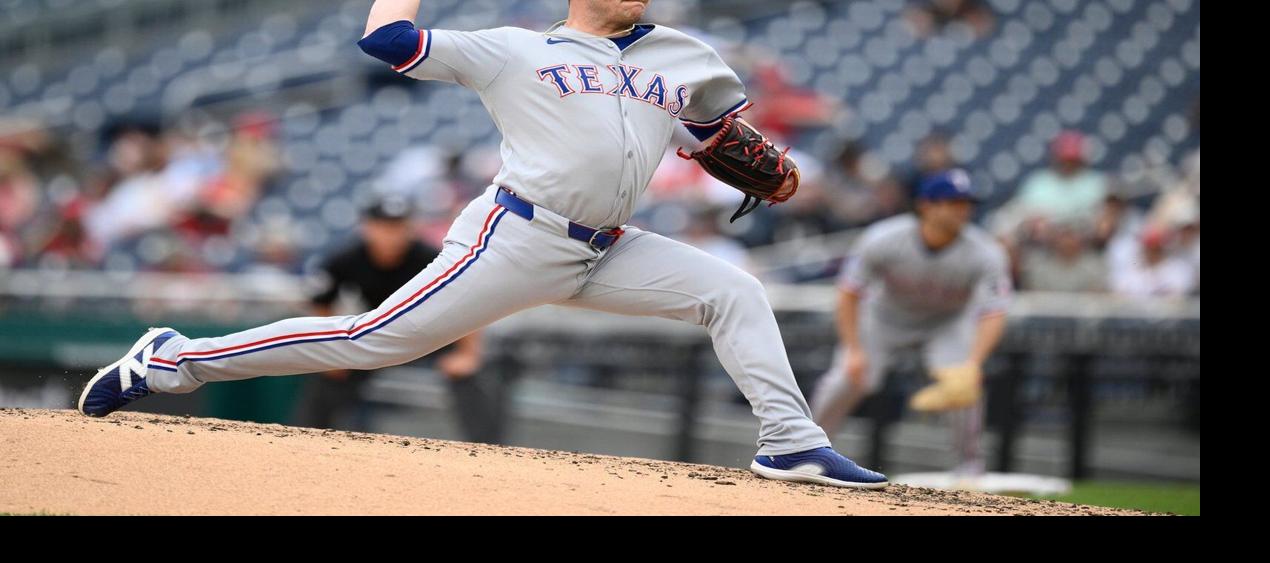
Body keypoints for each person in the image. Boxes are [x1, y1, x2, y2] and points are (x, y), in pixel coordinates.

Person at [76, 0, 886, 490]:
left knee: (733, 290)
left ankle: (791, 445)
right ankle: (171, 360)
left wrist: (744, 158)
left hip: (608, 245)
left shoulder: (683, 57)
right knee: (370, 341)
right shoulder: (516, 48)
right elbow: (387, 44)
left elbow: (714, 134)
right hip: (516, 234)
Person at [810, 169, 1011, 477]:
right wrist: (852, 349)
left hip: (947, 322)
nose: (962, 209)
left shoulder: (985, 252)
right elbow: (849, 293)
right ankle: (806, 449)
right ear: (925, 205)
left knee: (962, 382)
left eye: (966, 202)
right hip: (885, 318)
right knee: (845, 379)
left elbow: (993, 312)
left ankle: (970, 465)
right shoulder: (885, 237)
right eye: (952, 202)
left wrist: (973, 363)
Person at [298, 195, 505, 443]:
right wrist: (330, 351)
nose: (390, 234)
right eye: (383, 226)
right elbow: (321, 302)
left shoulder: (433, 257)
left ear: (410, 228)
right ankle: (304, 439)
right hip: (378, 331)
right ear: (367, 227)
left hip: (432, 333)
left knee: (471, 375)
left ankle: (487, 449)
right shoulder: (346, 258)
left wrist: (468, 353)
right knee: (329, 367)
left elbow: (469, 303)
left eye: (397, 226)